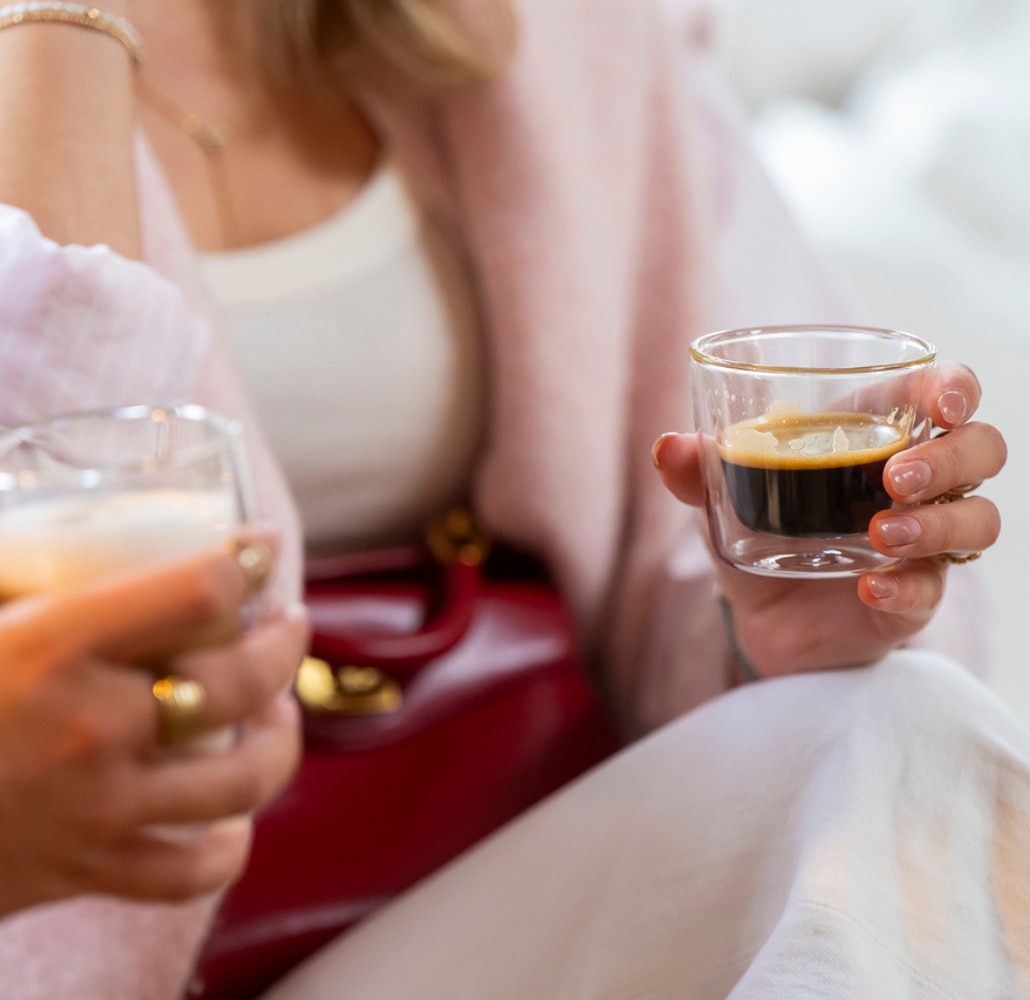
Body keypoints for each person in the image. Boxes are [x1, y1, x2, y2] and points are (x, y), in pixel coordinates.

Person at [0, 0, 1023, 997]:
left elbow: (697, 490)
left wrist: (762, 635)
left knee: (901, 730)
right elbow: (63, 537)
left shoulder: (567, 37)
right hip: (87, 939)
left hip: (502, 893)